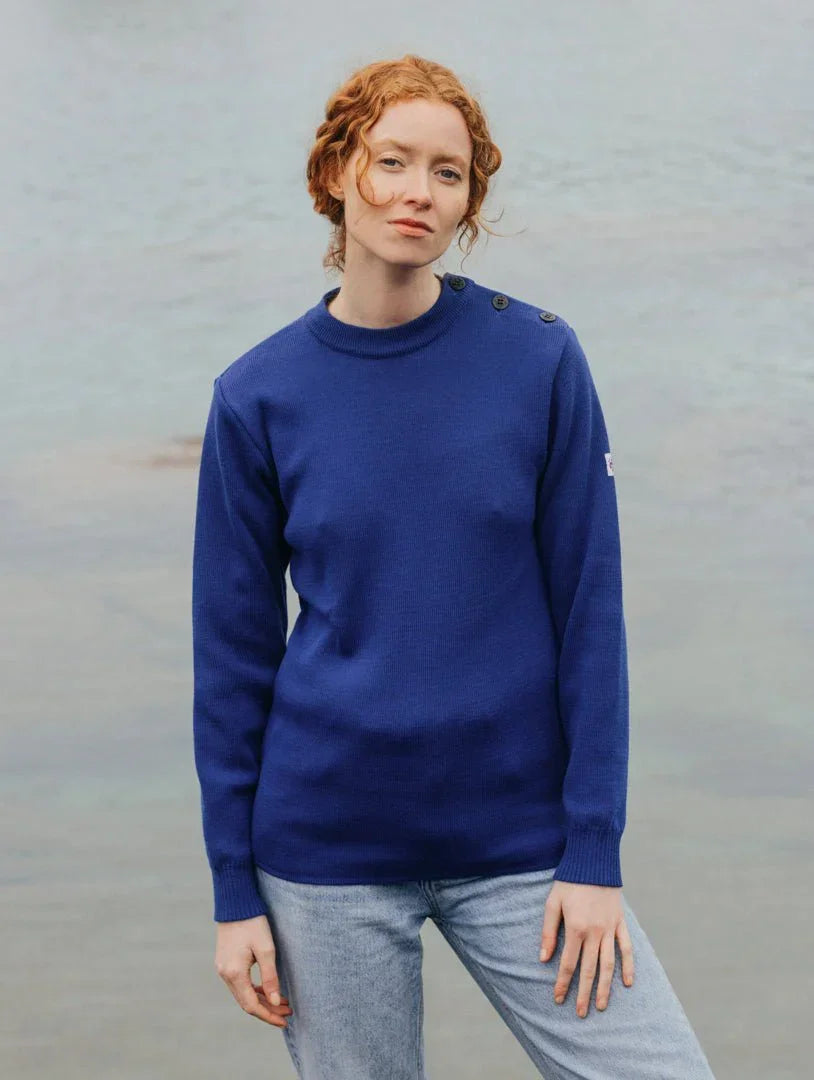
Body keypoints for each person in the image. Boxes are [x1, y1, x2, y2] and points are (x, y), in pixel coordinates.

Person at [191, 53, 717, 1080]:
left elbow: (590, 616)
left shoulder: (539, 361)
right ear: (336, 170)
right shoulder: (256, 397)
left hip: (524, 846)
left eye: (448, 172)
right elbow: (232, 664)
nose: (417, 192)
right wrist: (233, 893)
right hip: (326, 855)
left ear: (471, 198)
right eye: (391, 160)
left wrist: (594, 853)